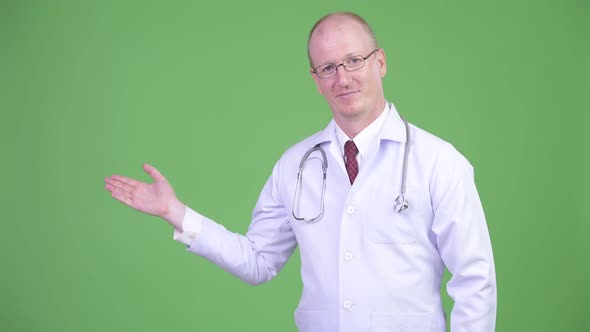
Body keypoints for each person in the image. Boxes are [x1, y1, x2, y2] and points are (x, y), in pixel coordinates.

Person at [104, 12, 496, 332]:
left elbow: (475, 281)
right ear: (315, 79)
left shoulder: (439, 162)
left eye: (354, 61)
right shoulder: (295, 165)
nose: (342, 77)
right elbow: (258, 261)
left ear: (380, 62)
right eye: (327, 68)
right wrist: (177, 213)